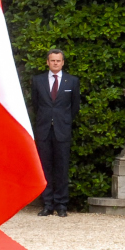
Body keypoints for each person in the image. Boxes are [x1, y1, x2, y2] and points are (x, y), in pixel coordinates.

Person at [30, 50, 80, 217]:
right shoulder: (38, 81)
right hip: (44, 129)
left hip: (62, 130)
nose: (55, 63)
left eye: (58, 61)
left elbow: (74, 107)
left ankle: (61, 205)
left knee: (62, 168)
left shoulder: (72, 81)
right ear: (47, 62)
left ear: (63, 62)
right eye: (52, 61)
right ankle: (47, 204)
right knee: (45, 168)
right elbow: (36, 105)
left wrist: (63, 121)